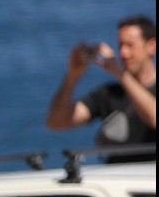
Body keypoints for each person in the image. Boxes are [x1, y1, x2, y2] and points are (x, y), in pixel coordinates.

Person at [45, 15, 156, 163]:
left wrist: (119, 73)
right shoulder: (109, 94)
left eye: (130, 45)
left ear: (151, 46)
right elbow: (56, 122)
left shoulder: (122, 79)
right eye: (121, 45)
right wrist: (73, 77)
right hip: (116, 183)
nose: (123, 53)